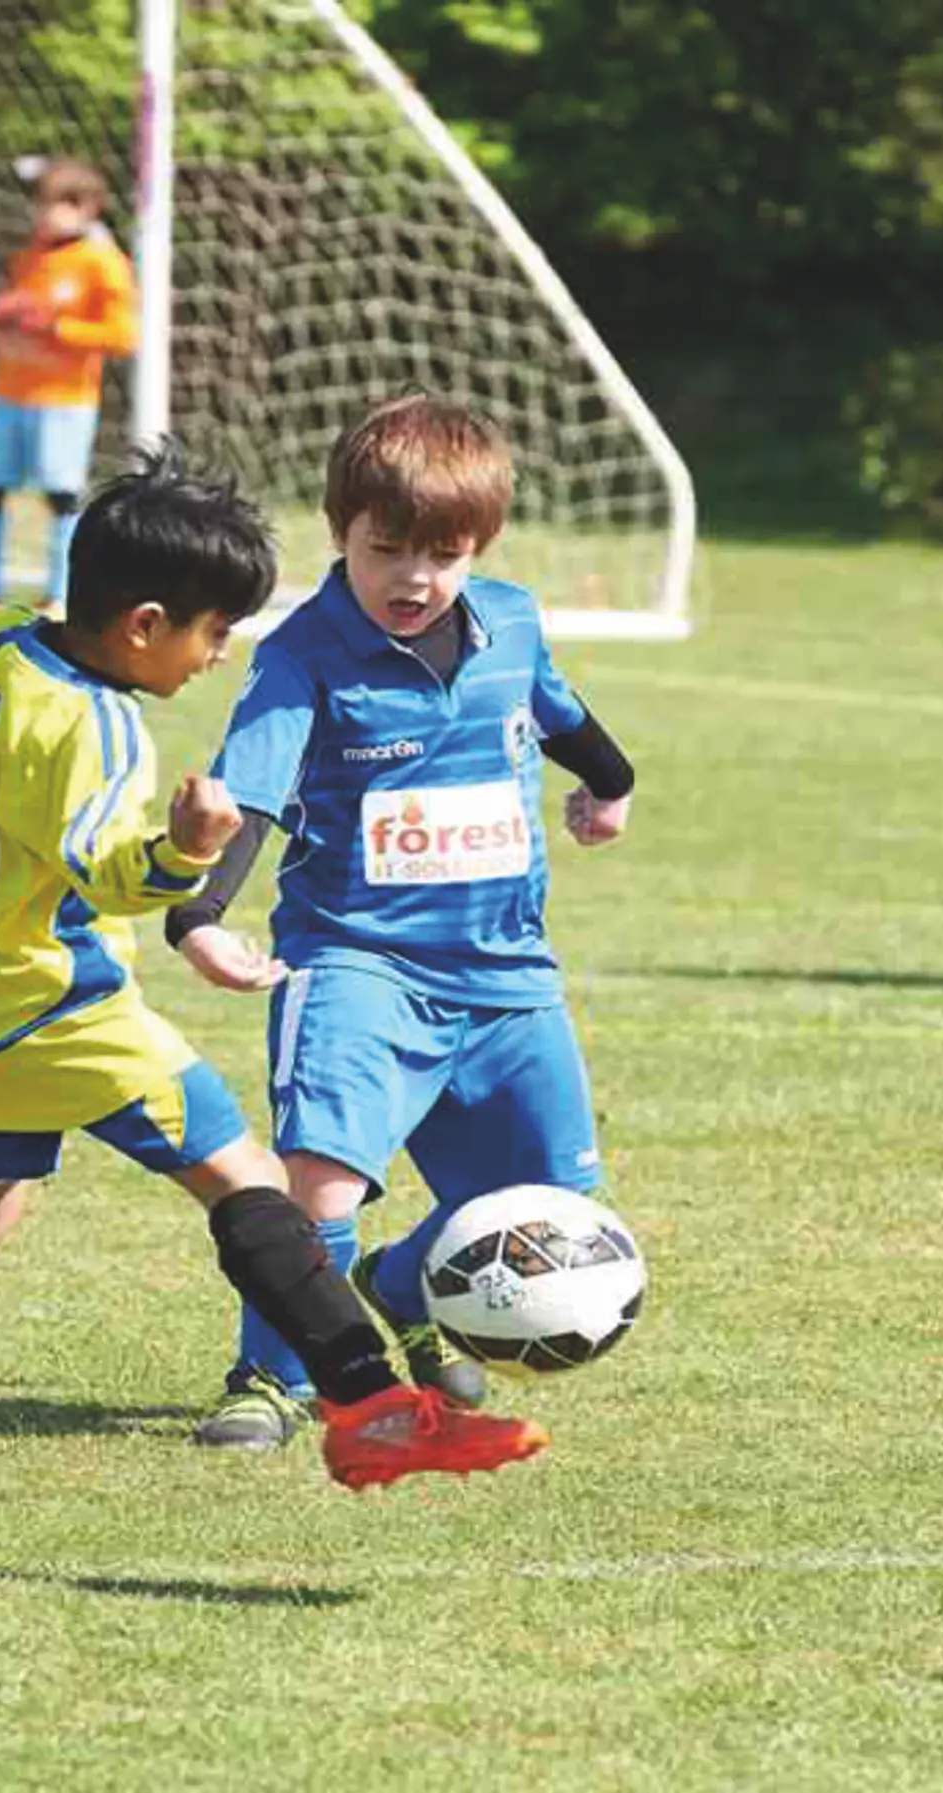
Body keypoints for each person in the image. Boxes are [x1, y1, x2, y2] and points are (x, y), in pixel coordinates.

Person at [0, 448, 549, 1534]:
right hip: (51, 1003)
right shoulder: (94, 725)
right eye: (210, 632)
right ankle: (371, 1404)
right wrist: (182, 851)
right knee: (244, 1174)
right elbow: (105, 867)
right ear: (139, 623)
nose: (218, 656)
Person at [166, 396, 637, 1450]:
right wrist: (198, 917)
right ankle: (272, 1376)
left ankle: (403, 1278)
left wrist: (609, 783)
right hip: (355, 963)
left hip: (507, 970)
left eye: (443, 553)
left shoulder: (510, 620)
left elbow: (555, 710)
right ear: (342, 533)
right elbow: (253, 794)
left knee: (560, 1197)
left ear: (480, 549)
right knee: (321, 1178)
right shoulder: (301, 656)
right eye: (387, 550)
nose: (414, 578)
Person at [0, 155, 140, 609]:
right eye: (39, 204)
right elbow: (13, 317)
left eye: (54, 205)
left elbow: (123, 336)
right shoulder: (29, 257)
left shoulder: (103, 263)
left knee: (60, 496)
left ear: (87, 208)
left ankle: (61, 594)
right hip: (7, 392)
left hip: (64, 400)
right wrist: (4, 322)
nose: (42, 214)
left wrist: (57, 330)